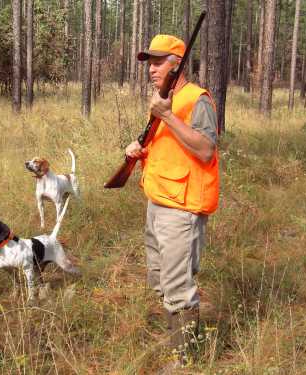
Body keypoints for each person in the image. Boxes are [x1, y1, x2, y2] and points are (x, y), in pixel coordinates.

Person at [125, 34, 219, 365]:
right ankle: (176, 333)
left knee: (178, 287)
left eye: (157, 62)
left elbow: (206, 150)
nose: (150, 69)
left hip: (182, 208)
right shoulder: (164, 99)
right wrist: (140, 151)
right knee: (161, 280)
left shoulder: (197, 99)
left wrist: (166, 116)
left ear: (177, 64)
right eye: (148, 62)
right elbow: (172, 147)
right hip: (158, 202)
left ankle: (184, 362)